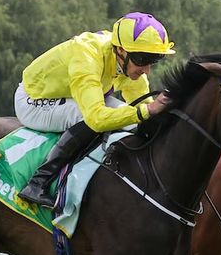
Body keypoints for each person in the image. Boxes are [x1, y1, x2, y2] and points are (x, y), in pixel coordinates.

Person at [15, 12, 175, 207]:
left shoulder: (130, 66)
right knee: (90, 117)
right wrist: (147, 111)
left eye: (154, 60)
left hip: (70, 96)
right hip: (34, 100)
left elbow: (143, 111)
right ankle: (38, 183)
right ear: (120, 50)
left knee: (129, 117)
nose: (146, 70)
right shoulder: (87, 53)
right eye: (142, 59)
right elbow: (96, 118)